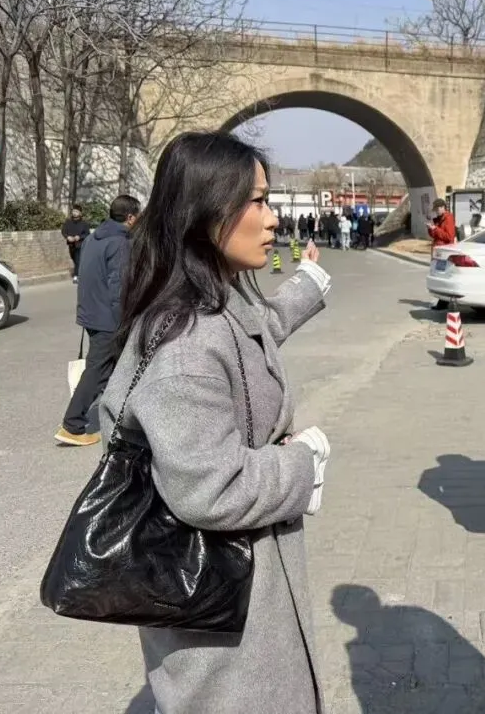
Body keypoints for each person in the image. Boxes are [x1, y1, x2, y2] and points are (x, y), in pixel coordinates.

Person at [99, 131, 332, 714]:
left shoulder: (214, 303)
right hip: (220, 611)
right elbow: (211, 488)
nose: (272, 218)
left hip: (242, 594)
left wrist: (307, 285)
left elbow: (256, 333)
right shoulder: (187, 343)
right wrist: (303, 464)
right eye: (257, 201)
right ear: (206, 212)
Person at [55, 194, 141, 446]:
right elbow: (119, 288)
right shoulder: (120, 244)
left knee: (116, 368)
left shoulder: (94, 238)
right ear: (130, 217)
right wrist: (125, 321)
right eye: (138, 216)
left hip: (92, 314)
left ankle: (125, 416)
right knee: (98, 371)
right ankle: (72, 424)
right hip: (109, 319)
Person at [60, 205, 91, 284]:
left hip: (80, 245)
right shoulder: (68, 222)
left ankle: (76, 276)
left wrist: (79, 237)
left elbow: (87, 234)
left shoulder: (84, 223)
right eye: (73, 211)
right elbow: (63, 231)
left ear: (80, 213)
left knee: (77, 260)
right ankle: (82, 272)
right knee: (74, 259)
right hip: (71, 245)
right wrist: (67, 237)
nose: (74, 213)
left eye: (76, 211)